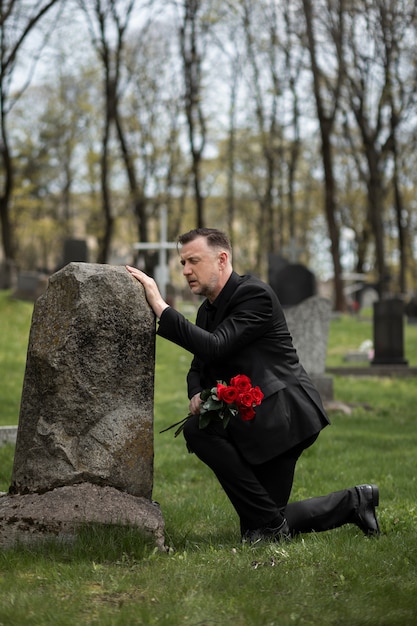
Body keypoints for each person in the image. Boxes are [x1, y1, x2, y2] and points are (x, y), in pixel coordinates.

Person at [126, 228, 380, 543]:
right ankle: (356, 501)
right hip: (253, 419)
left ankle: (291, 522)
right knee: (261, 525)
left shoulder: (253, 295)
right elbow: (199, 364)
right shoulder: (207, 309)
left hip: (283, 416)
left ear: (222, 259)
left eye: (193, 261)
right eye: (182, 263)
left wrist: (161, 308)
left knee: (204, 439)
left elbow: (215, 346)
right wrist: (195, 392)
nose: (186, 270)